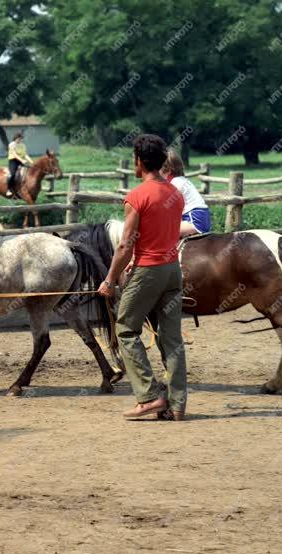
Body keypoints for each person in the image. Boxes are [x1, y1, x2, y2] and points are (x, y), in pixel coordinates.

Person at [98, 134, 187, 421]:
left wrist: (109, 280)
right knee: (172, 340)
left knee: (125, 328)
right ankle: (176, 405)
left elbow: (125, 245)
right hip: (173, 270)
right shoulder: (176, 194)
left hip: (148, 271)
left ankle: (148, 397)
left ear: (138, 161)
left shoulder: (136, 197)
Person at [161, 148, 211, 237]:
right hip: (201, 218)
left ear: (167, 170)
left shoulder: (174, 184)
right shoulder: (181, 180)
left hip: (194, 220)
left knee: (159, 231)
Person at [6, 131, 33, 197]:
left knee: (30, 170)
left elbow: (25, 154)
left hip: (21, 161)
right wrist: (22, 160)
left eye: (21, 139)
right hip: (13, 160)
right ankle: (8, 189)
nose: (20, 140)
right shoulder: (11, 144)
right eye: (18, 138)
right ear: (15, 138)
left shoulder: (23, 145)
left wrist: (31, 161)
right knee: (12, 174)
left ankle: (24, 188)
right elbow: (15, 154)